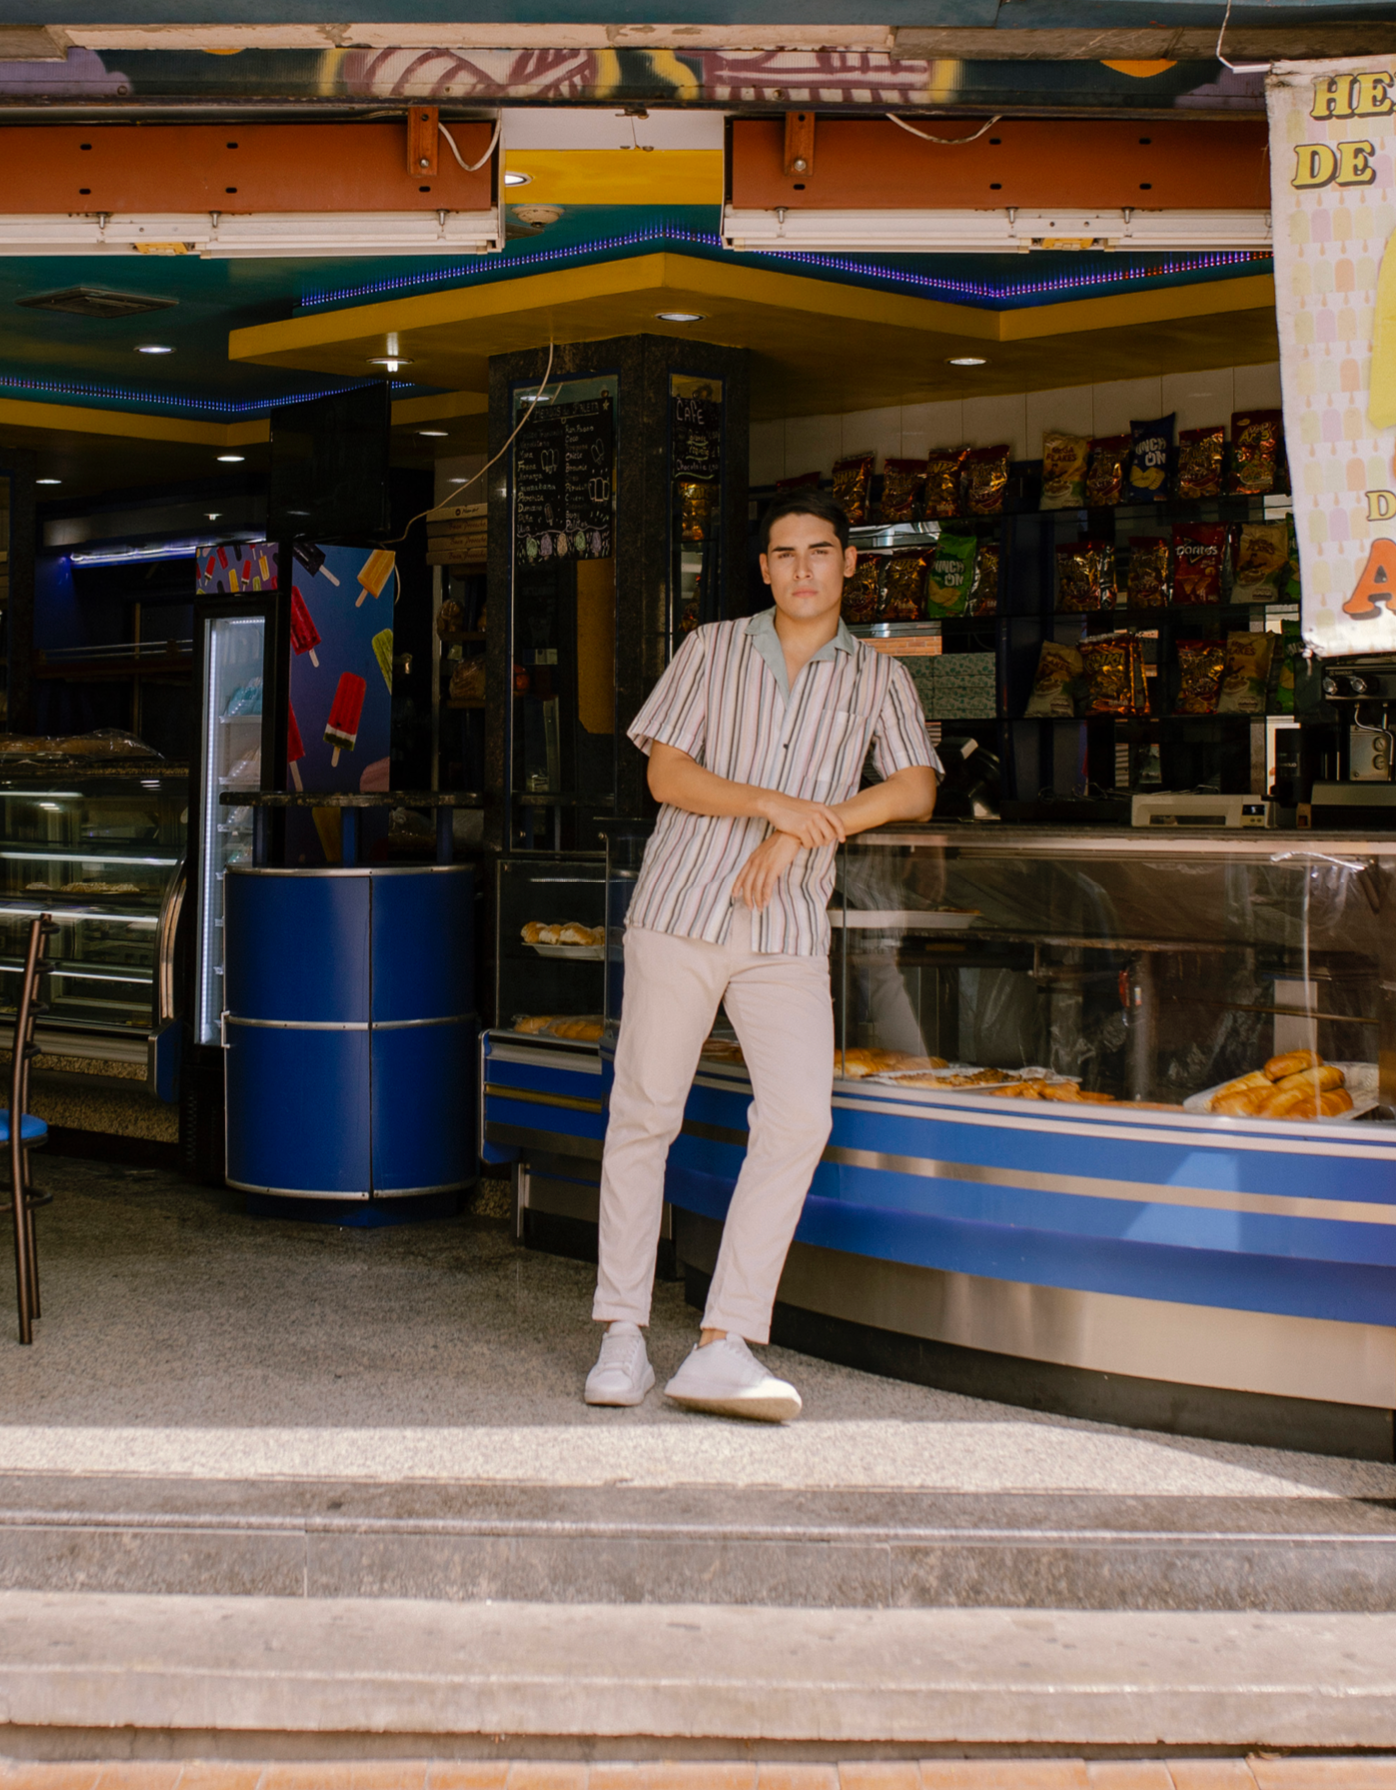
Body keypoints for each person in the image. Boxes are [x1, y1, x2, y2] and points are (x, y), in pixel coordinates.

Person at [584, 487, 941, 1421]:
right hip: (680, 911)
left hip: (783, 929)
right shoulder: (711, 649)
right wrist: (771, 806)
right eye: (785, 555)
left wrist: (810, 830)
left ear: (849, 564)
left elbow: (912, 789)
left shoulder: (876, 676)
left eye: (820, 552)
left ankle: (723, 1340)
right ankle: (622, 1333)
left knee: (796, 1120)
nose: (803, 570)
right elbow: (667, 772)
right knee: (645, 1116)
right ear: (764, 569)